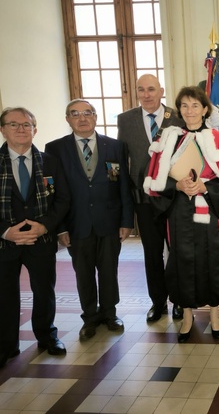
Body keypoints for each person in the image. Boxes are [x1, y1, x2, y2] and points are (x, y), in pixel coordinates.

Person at [144, 86, 219, 342]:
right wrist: (176, 185)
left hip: (209, 208)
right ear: (179, 109)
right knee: (180, 261)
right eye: (184, 106)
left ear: (204, 109)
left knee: (211, 260)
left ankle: (214, 315)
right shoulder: (168, 138)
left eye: (194, 106)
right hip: (178, 208)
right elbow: (153, 178)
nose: (189, 111)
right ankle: (188, 316)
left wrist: (206, 186)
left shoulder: (218, 139)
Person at [45, 99, 134, 341]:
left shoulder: (115, 146)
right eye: (75, 114)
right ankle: (90, 317)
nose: (82, 118)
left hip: (109, 221)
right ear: (67, 119)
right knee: (83, 273)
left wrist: (126, 221)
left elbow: (123, 185)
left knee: (108, 270)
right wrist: (60, 227)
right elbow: (53, 192)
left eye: (87, 113)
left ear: (95, 117)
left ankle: (110, 313)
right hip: (76, 223)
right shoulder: (55, 149)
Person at [0, 107, 70, 367]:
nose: (21, 129)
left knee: (44, 290)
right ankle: (6, 345)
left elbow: (62, 199)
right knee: (5, 295)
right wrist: (6, 232)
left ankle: (47, 336)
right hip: (4, 242)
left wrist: (46, 227)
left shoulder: (50, 161)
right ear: (3, 129)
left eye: (26, 125)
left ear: (35, 129)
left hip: (41, 239)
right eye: (14, 124)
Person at [117, 74, 185, 322]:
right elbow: (123, 160)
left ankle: (180, 300)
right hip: (143, 199)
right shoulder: (125, 120)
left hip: (173, 197)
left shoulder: (176, 117)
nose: (146, 95)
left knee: (177, 250)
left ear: (161, 91)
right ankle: (158, 302)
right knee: (152, 253)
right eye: (141, 90)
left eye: (151, 89)